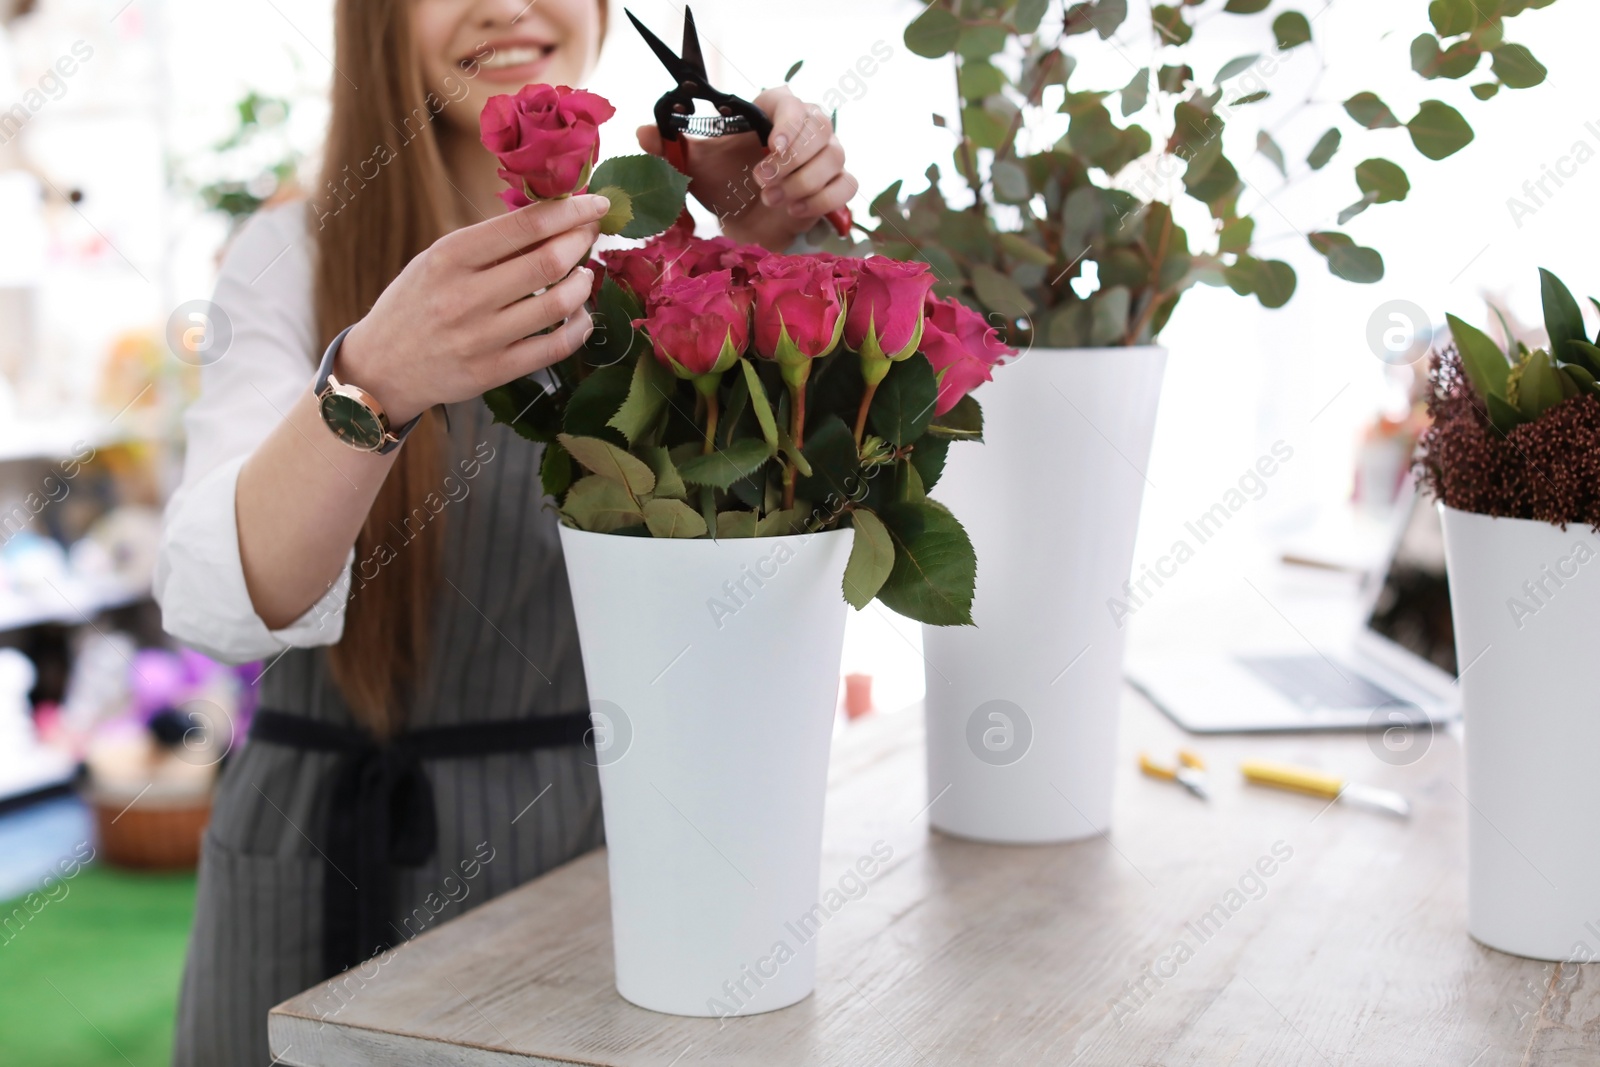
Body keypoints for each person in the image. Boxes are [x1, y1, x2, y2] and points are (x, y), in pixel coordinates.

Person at [153, 1, 857, 1062]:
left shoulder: (661, 236)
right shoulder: (293, 251)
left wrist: (757, 252)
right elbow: (222, 599)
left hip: (598, 845)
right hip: (330, 867)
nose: (509, 4)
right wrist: (373, 381)